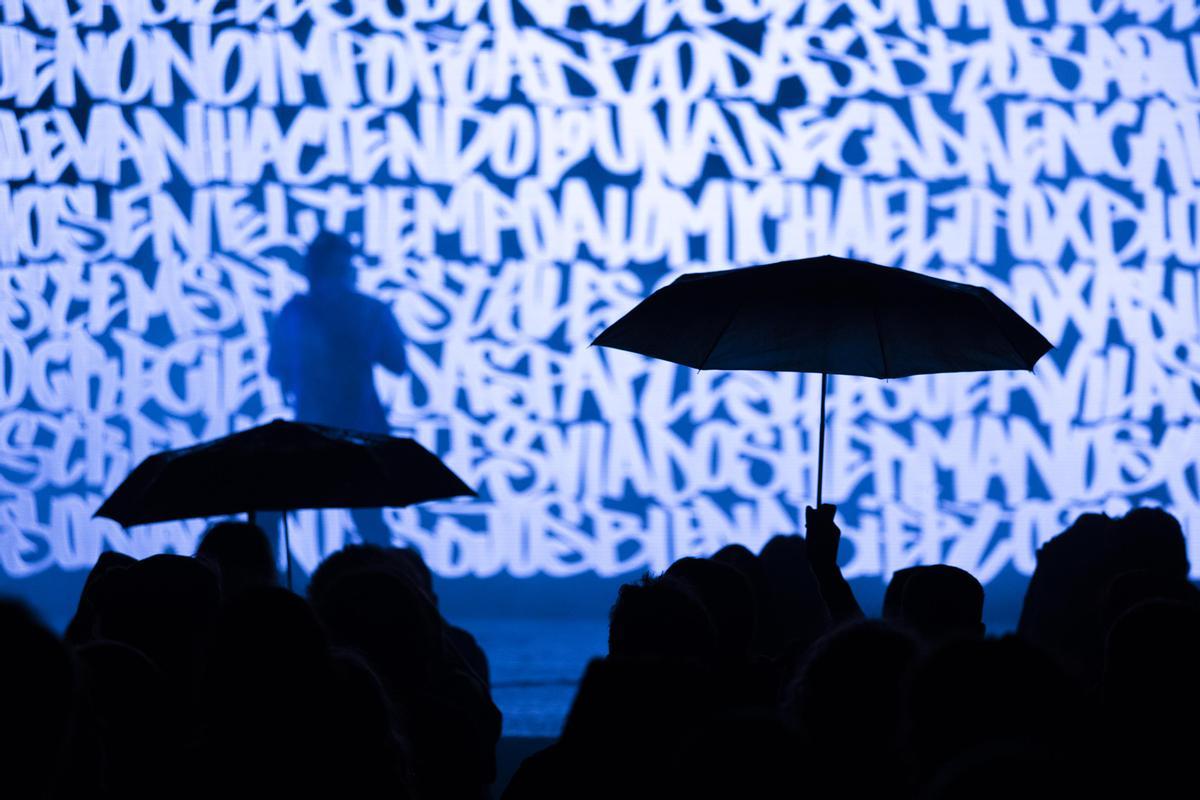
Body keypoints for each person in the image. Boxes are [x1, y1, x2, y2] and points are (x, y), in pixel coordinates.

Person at [268, 231, 409, 546]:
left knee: (270, 506)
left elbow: (277, 367)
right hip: (351, 430)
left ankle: (261, 578)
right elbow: (397, 362)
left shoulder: (297, 311)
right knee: (370, 522)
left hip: (320, 430)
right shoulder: (368, 310)